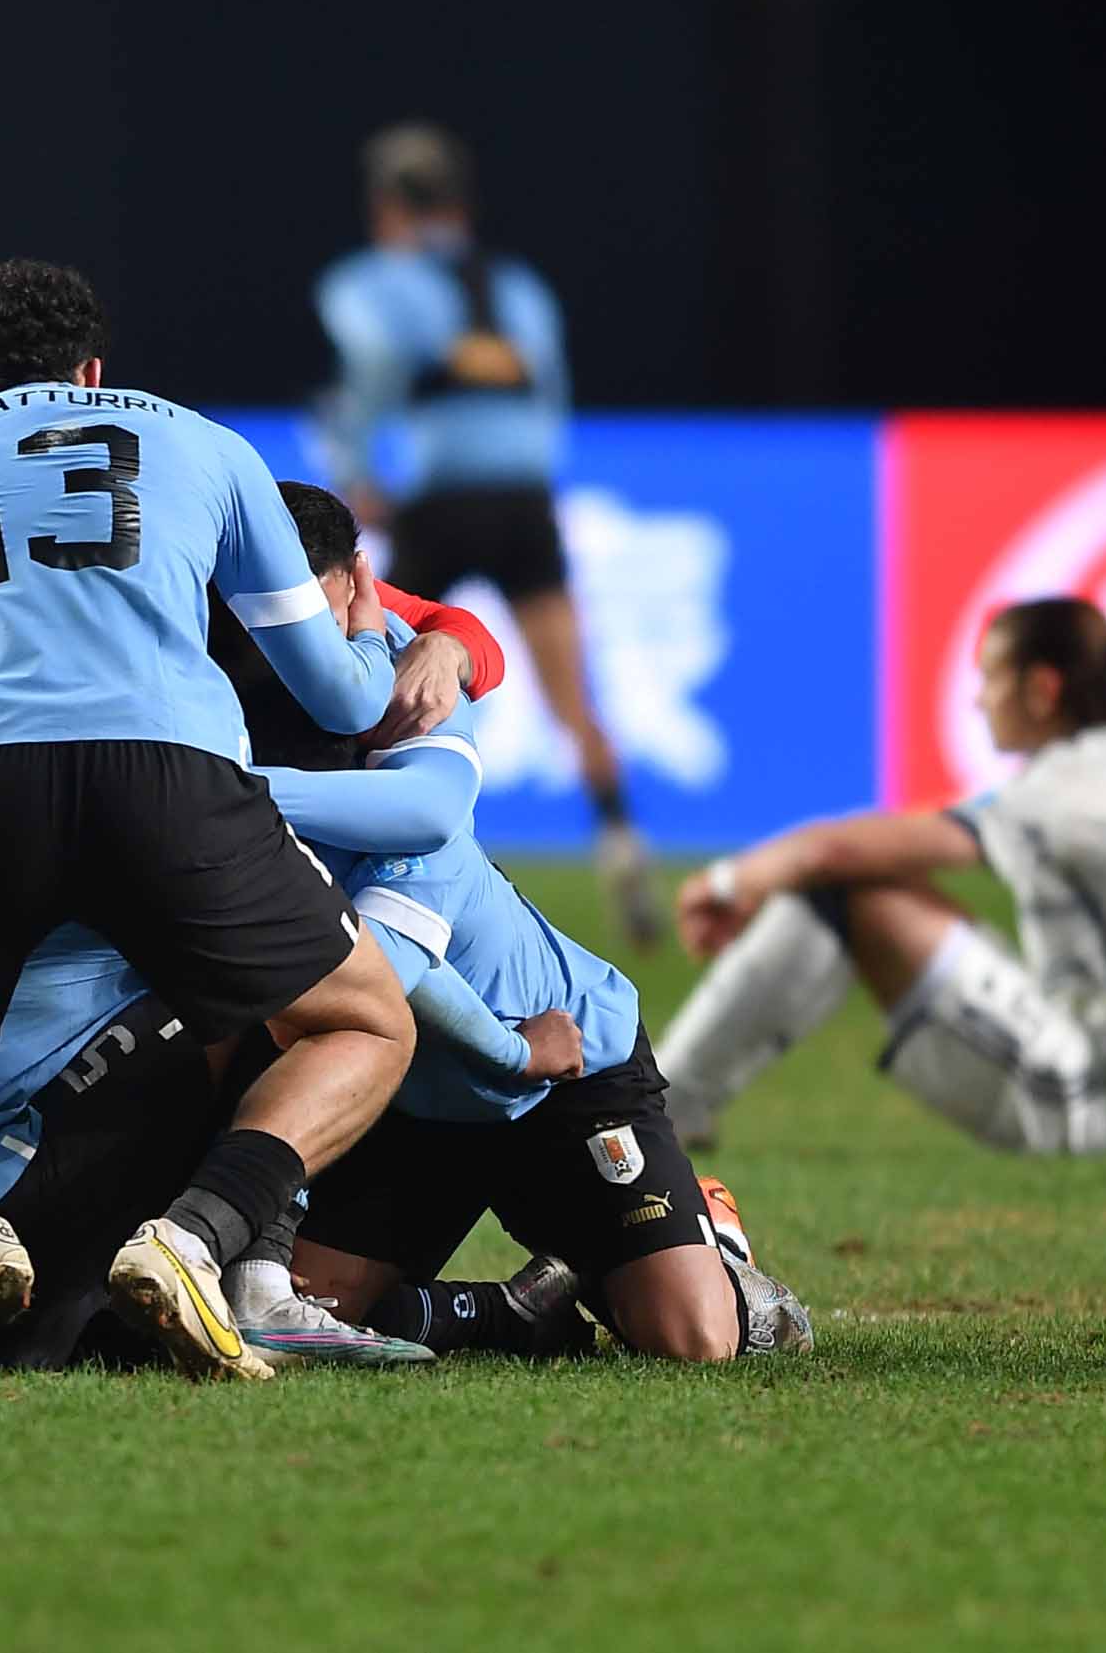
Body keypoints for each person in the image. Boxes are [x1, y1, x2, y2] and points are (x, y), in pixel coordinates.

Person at [0, 258, 425, 1383]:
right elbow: (339, 700)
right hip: (171, 776)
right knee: (365, 1021)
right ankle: (195, 1238)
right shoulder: (208, 447)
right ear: (93, 370)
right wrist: (395, 640)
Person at [246, 486, 812, 1360]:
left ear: (353, 590)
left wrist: (231, 800)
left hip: (557, 1061)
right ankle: (516, 1311)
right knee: (298, 1309)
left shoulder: (404, 701)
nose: (310, 662)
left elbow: (388, 951)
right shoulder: (218, 679)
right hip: (408, 1093)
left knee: (693, 1337)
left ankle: (715, 1241)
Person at [660, 598, 1106, 1159]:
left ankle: (665, 1105)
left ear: (1042, 690)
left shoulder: (1073, 790)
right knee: (853, 880)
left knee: (840, 887)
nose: (978, 700)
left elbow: (834, 852)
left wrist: (732, 881)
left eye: (991, 677)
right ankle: (675, 1098)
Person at [315, 121, 657, 946]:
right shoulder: (523, 289)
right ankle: (620, 842)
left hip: (440, 499)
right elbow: (551, 397)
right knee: (573, 696)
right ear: (463, 202)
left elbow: (366, 379)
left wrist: (359, 468)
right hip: (525, 500)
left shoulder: (370, 281)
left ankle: (357, 849)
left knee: (381, 670)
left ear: (387, 206)